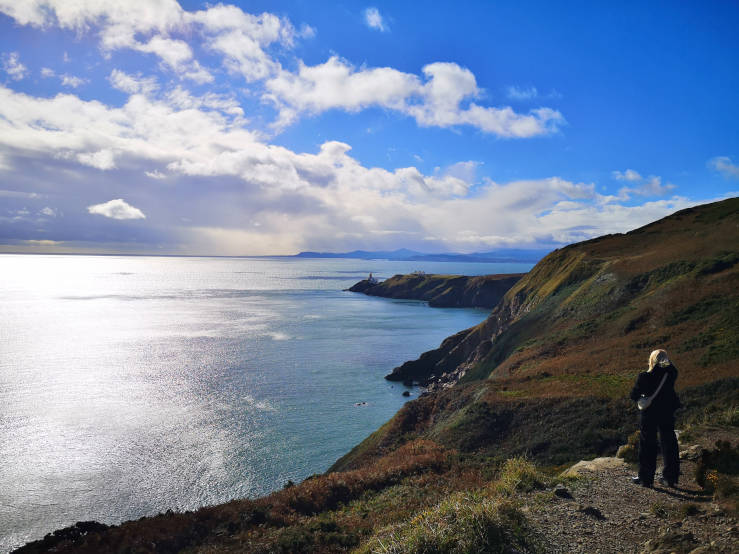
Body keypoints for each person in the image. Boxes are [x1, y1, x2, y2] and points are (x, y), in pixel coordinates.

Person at [629, 349, 681, 488]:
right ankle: (670, 478)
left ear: (651, 360)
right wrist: (666, 360)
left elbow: (634, 395)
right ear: (666, 360)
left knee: (647, 444)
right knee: (669, 442)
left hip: (650, 414)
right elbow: (673, 368)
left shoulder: (645, 376)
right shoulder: (670, 374)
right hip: (667, 411)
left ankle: (646, 478)